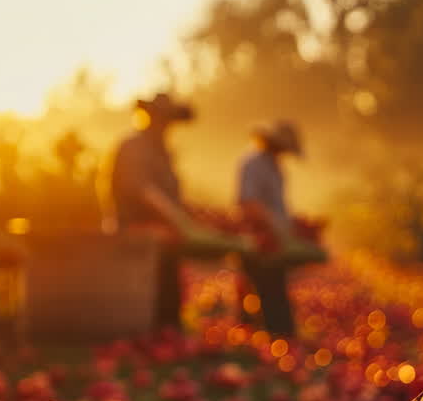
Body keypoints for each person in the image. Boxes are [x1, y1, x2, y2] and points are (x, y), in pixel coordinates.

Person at [110, 94, 245, 331]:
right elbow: (144, 191)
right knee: (162, 265)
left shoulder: (162, 150)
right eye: (163, 120)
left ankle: (168, 325)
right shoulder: (134, 146)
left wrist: (197, 215)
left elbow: (172, 197)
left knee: (171, 268)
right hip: (135, 227)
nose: (167, 126)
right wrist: (178, 220)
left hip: (167, 229)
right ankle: (157, 326)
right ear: (150, 118)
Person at [237, 120, 322, 336]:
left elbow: (277, 205)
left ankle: (267, 335)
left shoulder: (275, 165)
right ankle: (275, 336)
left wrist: (292, 226)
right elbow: (249, 203)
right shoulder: (254, 163)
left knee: (270, 287)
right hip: (260, 238)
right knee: (269, 289)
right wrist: (275, 226)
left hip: (275, 238)